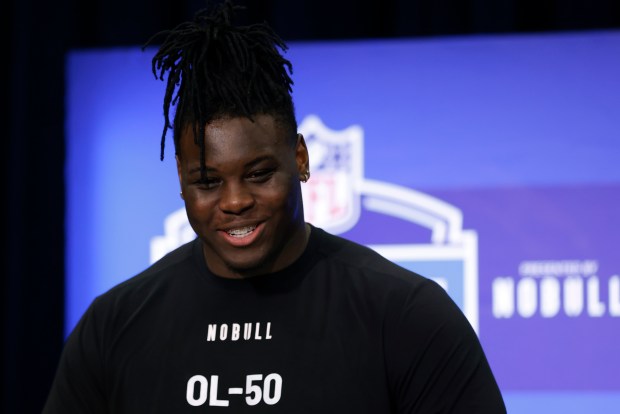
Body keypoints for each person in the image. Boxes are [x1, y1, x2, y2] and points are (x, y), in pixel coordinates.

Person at [43, 1, 506, 412]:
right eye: (207, 181)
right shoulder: (114, 326)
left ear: (300, 157)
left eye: (259, 174)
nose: (235, 201)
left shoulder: (405, 315)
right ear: (181, 181)